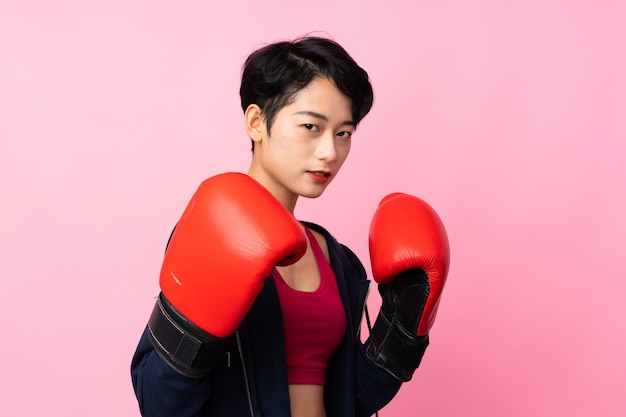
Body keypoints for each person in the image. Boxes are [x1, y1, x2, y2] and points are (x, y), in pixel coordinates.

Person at [131, 35, 450, 417]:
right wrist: (190, 336)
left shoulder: (337, 260)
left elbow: (353, 398)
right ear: (256, 122)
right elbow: (159, 403)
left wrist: (401, 327)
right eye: (311, 127)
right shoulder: (214, 234)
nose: (329, 152)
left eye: (343, 133)